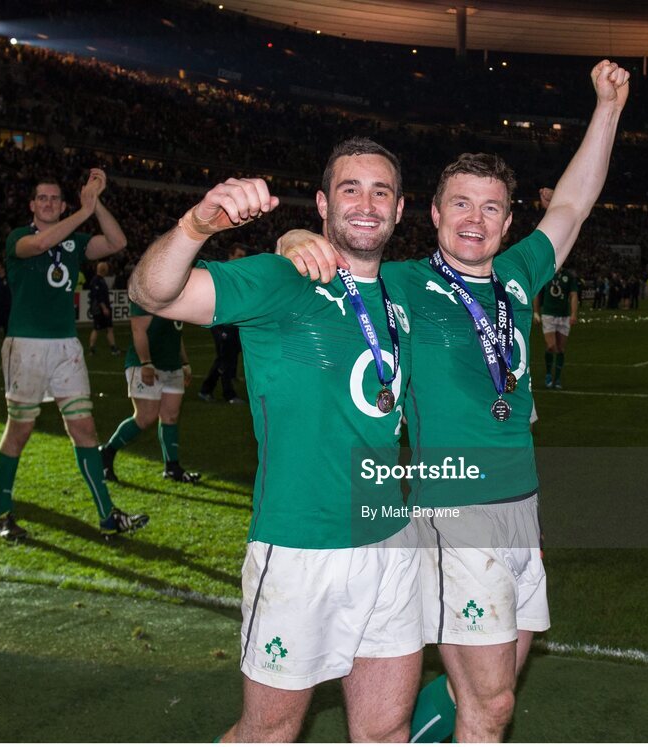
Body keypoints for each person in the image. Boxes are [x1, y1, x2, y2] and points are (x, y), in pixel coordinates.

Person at [280, 60, 630, 743]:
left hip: (521, 503)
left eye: (492, 206)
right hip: (457, 508)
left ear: (506, 220)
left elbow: (574, 204)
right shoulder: (402, 282)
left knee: (486, 692)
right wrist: (295, 237)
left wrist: (609, 107)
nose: (476, 219)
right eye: (461, 204)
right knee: (492, 705)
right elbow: (335, 250)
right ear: (436, 213)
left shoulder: (520, 271)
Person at [129, 138, 422, 743]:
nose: (366, 203)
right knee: (268, 734)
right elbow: (151, 293)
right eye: (350, 189)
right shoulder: (279, 280)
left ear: (399, 209)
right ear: (322, 203)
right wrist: (196, 225)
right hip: (299, 548)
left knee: (387, 731)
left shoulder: (409, 292)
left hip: (392, 543)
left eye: (381, 191)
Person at [0, 170, 148, 542]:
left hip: (65, 346)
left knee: (85, 429)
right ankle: (2, 513)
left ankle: (108, 516)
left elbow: (117, 241)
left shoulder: (75, 241)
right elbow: (43, 242)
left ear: (62, 204)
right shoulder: (19, 237)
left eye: (54, 199)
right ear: (32, 205)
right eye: (41, 198)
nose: (47, 203)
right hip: (26, 346)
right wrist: (83, 210)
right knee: (21, 429)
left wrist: (96, 202)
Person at [100, 299, 201, 484]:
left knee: (170, 416)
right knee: (145, 417)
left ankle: (172, 467)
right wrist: (146, 362)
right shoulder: (147, 291)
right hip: (146, 365)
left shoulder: (178, 294)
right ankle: (107, 452)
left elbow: (176, 333)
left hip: (172, 364)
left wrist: (184, 362)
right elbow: (138, 329)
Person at [198, 243, 247, 404]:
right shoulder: (223, 272)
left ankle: (207, 389)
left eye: (243, 256)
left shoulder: (238, 273)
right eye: (239, 255)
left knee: (227, 357)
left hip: (233, 323)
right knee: (225, 358)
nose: (242, 259)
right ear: (231, 255)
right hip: (221, 323)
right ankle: (228, 394)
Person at [533, 263, 579, 389]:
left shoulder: (568, 276)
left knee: (560, 349)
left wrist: (574, 314)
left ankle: (557, 378)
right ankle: (548, 374)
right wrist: (536, 312)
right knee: (551, 346)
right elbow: (537, 292)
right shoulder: (546, 274)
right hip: (548, 315)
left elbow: (573, 295)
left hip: (564, 316)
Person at [87, 261, 120, 354]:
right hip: (100, 309)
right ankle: (112, 349)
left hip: (97, 308)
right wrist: (104, 308)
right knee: (106, 328)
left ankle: (93, 349)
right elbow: (99, 296)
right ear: (104, 270)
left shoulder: (96, 280)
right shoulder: (98, 281)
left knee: (99, 328)